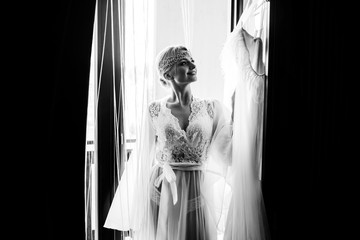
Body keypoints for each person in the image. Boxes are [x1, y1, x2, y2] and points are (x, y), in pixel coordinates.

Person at [104, 3, 270, 239]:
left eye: (192, 60)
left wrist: (242, 110)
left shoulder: (212, 109)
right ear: (168, 73)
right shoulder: (154, 110)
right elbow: (143, 158)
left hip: (196, 189)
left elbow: (227, 152)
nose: (192, 65)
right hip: (161, 190)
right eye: (184, 62)